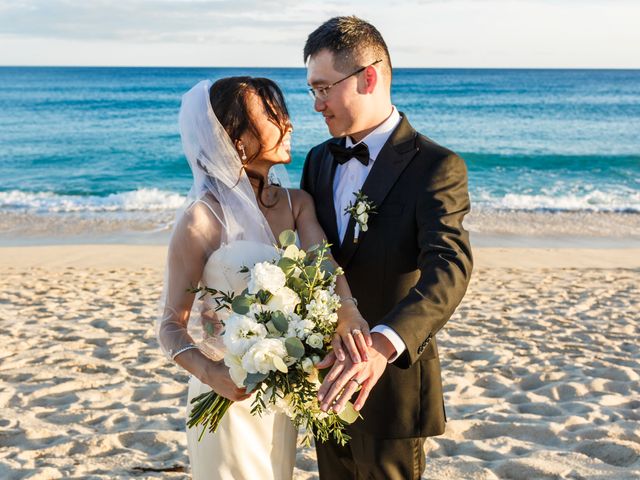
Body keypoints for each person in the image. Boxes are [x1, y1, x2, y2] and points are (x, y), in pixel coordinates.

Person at [156, 76, 370, 480]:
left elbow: (324, 266)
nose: (288, 124)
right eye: (273, 116)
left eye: (284, 114)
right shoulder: (202, 219)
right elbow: (169, 326)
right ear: (235, 139)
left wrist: (346, 314)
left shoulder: (298, 204)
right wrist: (212, 373)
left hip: (279, 400)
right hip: (227, 392)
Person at [301, 16, 474, 479]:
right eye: (312, 91)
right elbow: (312, 257)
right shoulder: (319, 159)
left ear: (368, 77)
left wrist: (382, 344)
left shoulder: (436, 166)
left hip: (392, 384)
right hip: (325, 379)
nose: (316, 104)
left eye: (323, 88)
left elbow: (449, 268)